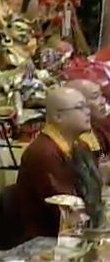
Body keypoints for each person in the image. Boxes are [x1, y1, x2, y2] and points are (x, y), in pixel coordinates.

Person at [12, 86, 100, 242]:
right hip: (46, 241)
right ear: (58, 116)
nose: (88, 112)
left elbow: (94, 191)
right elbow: (65, 209)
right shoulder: (43, 153)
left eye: (87, 106)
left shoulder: (80, 146)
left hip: (79, 231)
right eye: (80, 107)